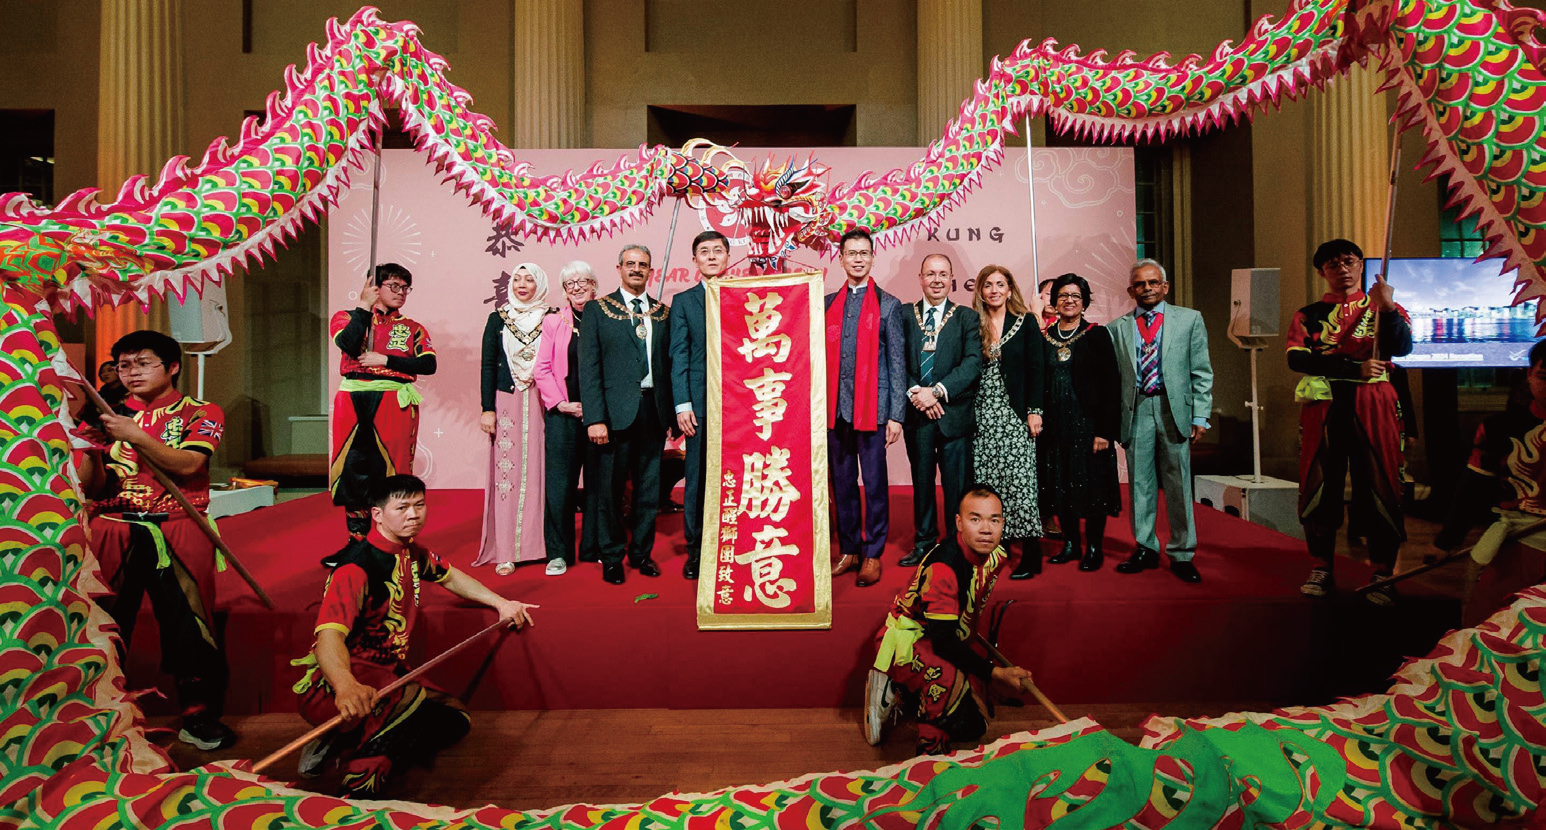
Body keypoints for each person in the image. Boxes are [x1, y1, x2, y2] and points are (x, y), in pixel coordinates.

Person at [290, 475, 537, 799]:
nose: (413, 515)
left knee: (454, 719)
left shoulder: (409, 552)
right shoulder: (354, 568)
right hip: (343, 683)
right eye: (402, 507)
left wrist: (501, 603)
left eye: (419, 505)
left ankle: (347, 740)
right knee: (408, 707)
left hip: (388, 673)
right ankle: (356, 790)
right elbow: (328, 639)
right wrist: (346, 686)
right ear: (377, 514)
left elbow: (450, 576)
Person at [75, 330, 236, 750]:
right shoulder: (103, 415)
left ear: (172, 367)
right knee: (106, 621)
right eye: (124, 365)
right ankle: (102, 710)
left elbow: (189, 464)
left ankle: (197, 713)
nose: (133, 372)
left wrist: (136, 435)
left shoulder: (201, 411)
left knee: (190, 622)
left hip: (178, 523)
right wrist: (90, 452)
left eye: (144, 363)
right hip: (115, 524)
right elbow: (93, 488)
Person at [864, 483, 1033, 755]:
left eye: (994, 520)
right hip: (907, 641)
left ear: (1003, 523)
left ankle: (916, 694)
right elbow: (943, 644)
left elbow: (970, 605)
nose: (986, 529)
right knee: (946, 677)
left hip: (943, 634)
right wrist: (997, 673)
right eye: (975, 519)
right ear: (959, 523)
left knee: (973, 724)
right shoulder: (944, 568)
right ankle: (928, 745)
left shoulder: (996, 555)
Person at [1290, 239, 1413, 605]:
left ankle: (1383, 571)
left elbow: (1403, 347)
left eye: (1348, 261)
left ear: (1360, 265)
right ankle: (1321, 565)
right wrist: (1350, 367)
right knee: (1319, 482)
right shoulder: (1308, 314)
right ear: (1321, 272)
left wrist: (1387, 306)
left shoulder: (1385, 308)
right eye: (1332, 264)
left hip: (1375, 403)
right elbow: (1298, 358)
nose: (1341, 269)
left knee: (1380, 481)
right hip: (1325, 404)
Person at [1110, 260, 1213, 584]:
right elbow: (1113, 378)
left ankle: (1182, 553)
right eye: (1140, 284)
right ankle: (1145, 547)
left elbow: (1201, 371)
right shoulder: (1117, 328)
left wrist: (1200, 415)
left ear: (1165, 286)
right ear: (1131, 291)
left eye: (1153, 282)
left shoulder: (1189, 320)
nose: (1147, 288)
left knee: (1178, 484)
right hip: (1136, 409)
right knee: (1139, 485)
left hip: (1174, 409)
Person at [579, 244, 675, 585]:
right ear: (618, 268)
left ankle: (642, 554)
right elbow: (588, 369)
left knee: (649, 490)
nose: (636, 269)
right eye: (630, 264)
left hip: (653, 412)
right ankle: (611, 556)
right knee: (609, 490)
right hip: (612, 416)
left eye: (643, 265)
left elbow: (669, 366)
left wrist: (672, 415)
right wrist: (595, 418)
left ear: (651, 271)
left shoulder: (663, 313)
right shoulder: (598, 310)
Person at [1436, 339, 1546, 624]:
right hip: (1518, 543)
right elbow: (1473, 487)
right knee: (1491, 623)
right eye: (1544, 377)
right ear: (1529, 375)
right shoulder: (1499, 428)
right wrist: (1446, 541)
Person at [329, 263, 437, 539]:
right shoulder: (346, 317)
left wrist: (386, 360)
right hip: (352, 397)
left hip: (393, 399)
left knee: (392, 467)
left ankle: (392, 538)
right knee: (352, 465)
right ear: (375, 287)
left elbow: (428, 364)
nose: (401, 293)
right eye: (394, 286)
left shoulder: (412, 327)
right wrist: (364, 306)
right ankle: (357, 539)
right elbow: (348, 344)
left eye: (405, 288)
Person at [827, 229, 907, 587]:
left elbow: (897, 364)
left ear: (873, 258)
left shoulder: (888, 304)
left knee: (874, 485)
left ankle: (873, 552)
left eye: (864, 253)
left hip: (873, 410)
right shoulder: (827, 303)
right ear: (841, 259)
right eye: (851, 253)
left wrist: (896, 414)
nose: (858, 259)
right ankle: (850, 549)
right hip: (836, 410)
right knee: (842, 484)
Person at [903, 253, 982, 569]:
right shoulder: (904, 315)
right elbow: (895, 360)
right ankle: (924, 543)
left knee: (957, 487)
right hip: (917, 415)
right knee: (921, 483)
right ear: (920, 278)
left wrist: (935, 392)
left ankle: (955, 545)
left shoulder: (966, 317)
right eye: (930, 273)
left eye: (943, 274)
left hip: (954, 415)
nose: (936, 280)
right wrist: (917, 393)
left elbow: (972, 363)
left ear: (951, 279)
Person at [1039, 273, 1122, 572]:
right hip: (1054, 427)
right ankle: (1071, 544)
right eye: (1063, 295)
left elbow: (1111, 385)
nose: (1069, 300)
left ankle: (1094, 547)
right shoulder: (1045, 337)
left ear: (1084, 302)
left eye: (1075, 296)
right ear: (1054, 302)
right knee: (1060, 485)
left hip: (1088, 426)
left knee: (1093, 487)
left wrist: (1104, 431)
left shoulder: (1096, 335)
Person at [474, 263, 551, 576]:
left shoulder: (551, 317)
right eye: (517, 279)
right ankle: (506, 550)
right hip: (506, 400)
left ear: (539, 284)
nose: (522, 284)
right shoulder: (498, 319)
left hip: (543, 401)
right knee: (507, 475)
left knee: (540, 473)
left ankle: (539, 546)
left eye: (530, 279)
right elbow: (487, 365)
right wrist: (487, 408)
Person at [970, 265, 1046, 580]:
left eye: (1000, 284)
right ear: (980, 290)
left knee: (1020, 483)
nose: (994, 290)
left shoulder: (1025, 321)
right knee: (988, 483)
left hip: (1015, 413)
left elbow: (1037, 367)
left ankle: (1030, 552)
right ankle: (994, 550)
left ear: (1010, 289)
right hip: (981, 416)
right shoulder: (972, 322)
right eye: (988, 285)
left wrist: (1035, 410)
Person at [669, 230, 731, 580]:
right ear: (695, 260)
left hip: (740, 406)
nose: (711, 257)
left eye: (717, 251)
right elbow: (679, 355)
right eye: (704, 251)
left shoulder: (744, 295)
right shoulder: (684, 301)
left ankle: (732, 544)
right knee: (697, 480)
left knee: (736, 477)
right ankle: (696, 550)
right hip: (700, 406)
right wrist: (682, 404)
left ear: (727, 256)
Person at [535, 261, 601, 572]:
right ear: (564, 290)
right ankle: (558, 553)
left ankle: (593, 547)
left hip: (599, 416)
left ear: (594, 285)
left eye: (582, 281)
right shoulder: (553, 321)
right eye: (570, 283)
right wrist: (561, 404)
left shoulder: (605, 317)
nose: (576, 287)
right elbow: (542, 369)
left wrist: (597, 407)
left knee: (598, 485)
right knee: (560, 487)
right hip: (563, 416)